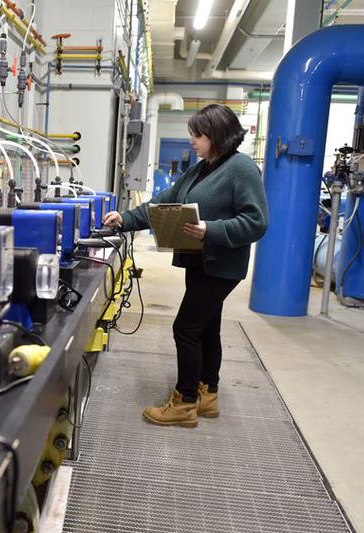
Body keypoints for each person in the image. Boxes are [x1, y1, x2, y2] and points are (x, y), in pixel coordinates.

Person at [102, 104, 268, 428]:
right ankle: (207, 394)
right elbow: (164, 203)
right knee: (206, 327)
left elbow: (256, 222)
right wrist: (126, 219)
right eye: (192, 133)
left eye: (199, 134)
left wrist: (211, 229)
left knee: (185, 329)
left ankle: (185, 401)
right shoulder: (201, 169)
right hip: (200, 261)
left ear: (217, 135)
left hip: (221, 264)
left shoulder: (241, 168)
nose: (192, 140)